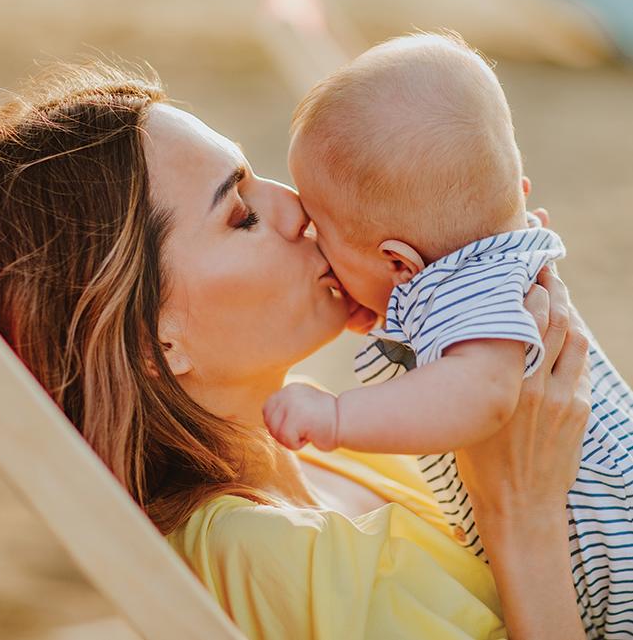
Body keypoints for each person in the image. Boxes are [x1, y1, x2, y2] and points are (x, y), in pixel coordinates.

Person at [0, 61, 591, 639]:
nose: (296, 208)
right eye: (242, 215)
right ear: (158, 342)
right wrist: (524, 516)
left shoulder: (330, 440)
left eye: (256, 176)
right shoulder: (260, 552)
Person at [264, 33, 632, 639]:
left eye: (322, 235)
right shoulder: (492, 262)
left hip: (614, 571)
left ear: (400, 262)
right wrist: (387, 314)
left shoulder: (467, 287)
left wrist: (336, 416)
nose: (313, 248)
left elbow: (481, 393)